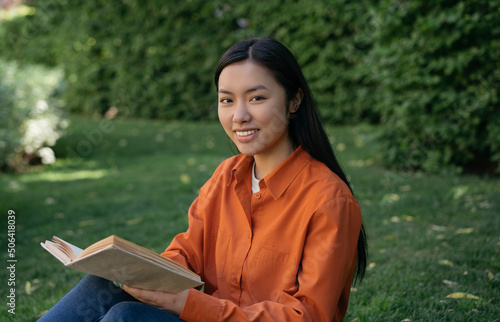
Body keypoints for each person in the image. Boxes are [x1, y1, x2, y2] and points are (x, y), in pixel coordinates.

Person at [38, 37, 367, 322]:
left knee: (126, 317)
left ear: (294, 100)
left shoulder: (328, 201)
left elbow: (309, 316)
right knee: (104, 285)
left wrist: (189, 304)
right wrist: (140, 271)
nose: (239, 116)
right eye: (227, 100)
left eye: (256, 98)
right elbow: (187, 253)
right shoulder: (227, 177)